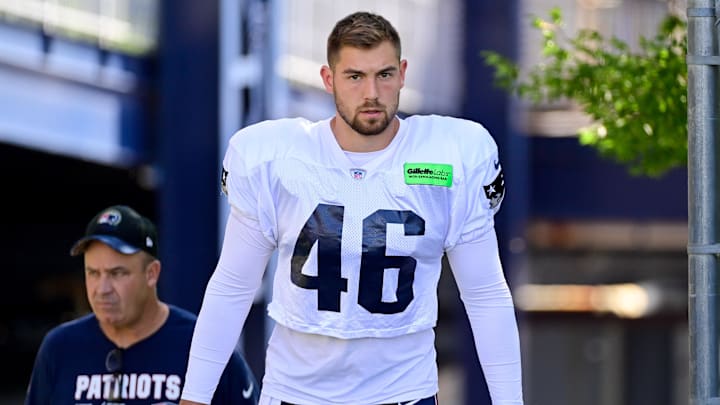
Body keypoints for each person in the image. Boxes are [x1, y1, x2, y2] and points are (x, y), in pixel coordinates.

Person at [180, 10, 523, 405]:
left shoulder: (452, 156)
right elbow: (233, 287)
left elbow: (484, 293)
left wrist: (509, 400)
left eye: (384, 74)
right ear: (328, 79)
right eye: (355, 77)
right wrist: (195, 396)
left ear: (403, 73)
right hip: (297, 394)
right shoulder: (275, 158)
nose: (372, 93)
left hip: (403, 393)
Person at [25, 205, 260, 405]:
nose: (102, 289)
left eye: (117, 273)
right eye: (93, 273)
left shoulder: (204, 345)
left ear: (152, 273)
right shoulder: (60, 348)